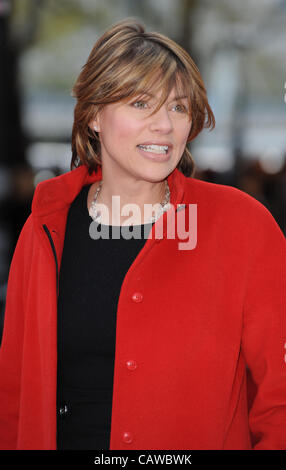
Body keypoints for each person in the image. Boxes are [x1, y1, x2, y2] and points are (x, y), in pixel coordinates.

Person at [0, 18, 286, 451]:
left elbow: (278, 400)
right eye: (140, 103)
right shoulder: (45, 227)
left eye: (179, 107)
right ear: (94, 114)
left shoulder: (244, 226)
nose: (164, 125)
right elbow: (14, 396)